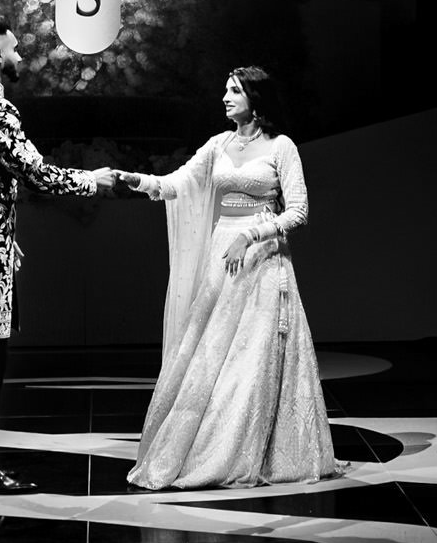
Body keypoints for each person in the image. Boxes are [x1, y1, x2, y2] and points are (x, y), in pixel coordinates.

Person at [119, 66, 341, 491]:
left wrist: (251, 233)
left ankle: (247, 447)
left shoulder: (282, 147)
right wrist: (138, 180)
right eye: (225, 89)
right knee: (208, 360)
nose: (225, 96)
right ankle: (206, 447)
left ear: (256, 98)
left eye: (235, 90)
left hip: (261, 260)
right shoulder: (219, 144)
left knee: (250, 363)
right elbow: (180, 181)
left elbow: (298, 211)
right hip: (224, 257)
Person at [0, 16, 116, 494]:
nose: (20, 57)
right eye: (14, 49)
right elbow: (36, 173)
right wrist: (90, 180)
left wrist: (0, 229)